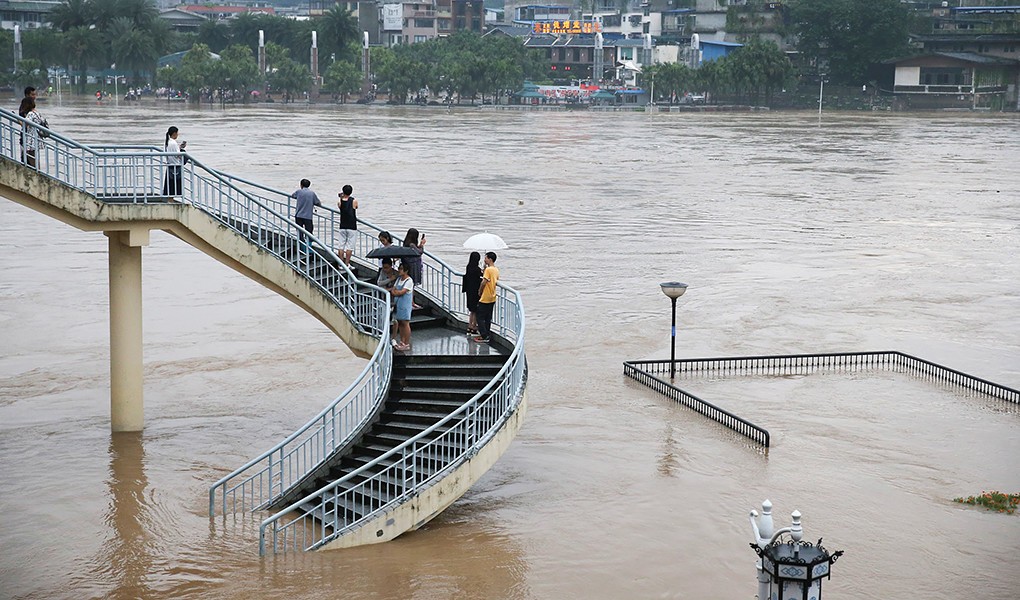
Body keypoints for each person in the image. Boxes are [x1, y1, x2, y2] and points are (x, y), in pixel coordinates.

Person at [473, 252, 499, 344]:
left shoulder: (488, 270)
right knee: (488, 317)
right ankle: (487, 334)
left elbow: (484, 282)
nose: (484, 260)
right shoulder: (496, 269)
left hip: (486, 297)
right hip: (493, 296)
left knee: (479, 317)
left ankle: (484, 335)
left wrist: (480, 291)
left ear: (490, 259)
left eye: (486, 258)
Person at [390, 261, 414, 352]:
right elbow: (393, 290)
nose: (399, 270)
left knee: (405, 323)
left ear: (406, 270)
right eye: (399, 269)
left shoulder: (409, 281)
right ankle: (402, 341)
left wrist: (396, 292)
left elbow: (401, 292)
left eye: (401, 269)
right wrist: (396, 292)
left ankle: (406, 343)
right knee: (400, 323)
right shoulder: (399, 279)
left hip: (405, 305)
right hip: (398, 305)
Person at [289, 178, 321, 245]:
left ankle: (301, 245)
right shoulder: (312, 193)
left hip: (298, 215)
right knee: (309, 232)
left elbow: (293, 195)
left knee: (299, 232)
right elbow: (318, 202)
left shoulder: (299, 192)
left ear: (301, 185)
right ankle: (308, 246)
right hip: (308, 216)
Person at [402, 228, 426, 308]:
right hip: (413, 266)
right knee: (411, 284)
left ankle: (411, 302)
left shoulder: (406, 243)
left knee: (409, 284)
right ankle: (411, 302)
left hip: (408, 265)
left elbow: (415, 250)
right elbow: (419, 252)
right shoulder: (411, 244)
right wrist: (422, 245)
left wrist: (419, 245)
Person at [18, 97, 46, 168]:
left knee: (30, 154)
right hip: (37, 137)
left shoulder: (30, 114)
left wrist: (18, 120)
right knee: (33, 155)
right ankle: (37, 169)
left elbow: (25, 124)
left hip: (31, 138)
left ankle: (36, 170)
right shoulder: (36, 113)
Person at [336, 184, 358, 266]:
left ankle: (341, 264)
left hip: (342, 225)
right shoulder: (354, 201)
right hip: (352, 226)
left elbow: (340, 206)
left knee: (341, 245)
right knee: (349, 247)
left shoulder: (340, 201)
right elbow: (356, 207)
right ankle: (347, 263)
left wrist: (341, 197)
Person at [462, 251, 483, 336]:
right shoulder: (477, 269)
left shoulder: (469, 267)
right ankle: (474, 327)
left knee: (472, 310)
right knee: (476, 310)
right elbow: (482, 275)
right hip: (475, 291)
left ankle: (469, 326)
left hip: (469, 291)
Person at [162, 126, 186, 197]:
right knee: (174, 186)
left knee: (170, 187)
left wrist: (180, 147)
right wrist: (182, 151)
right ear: (174, 133)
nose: (178, 134)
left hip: (170, 165)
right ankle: (171, 200)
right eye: (177, 133)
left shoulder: (168, 142)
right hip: (175, 166)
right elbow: (178, 155)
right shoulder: (173, 143)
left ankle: (170, 200)